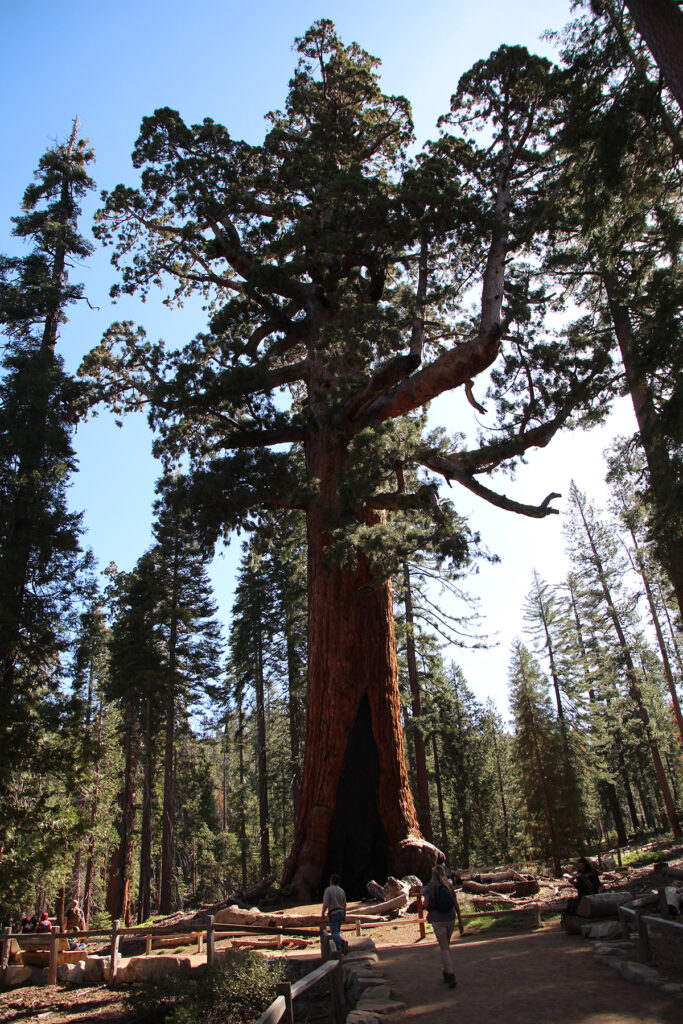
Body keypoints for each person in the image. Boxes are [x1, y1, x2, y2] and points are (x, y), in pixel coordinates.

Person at [423, 864, 457, 989]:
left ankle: (451, 974)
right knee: (446, 947)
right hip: (450, 917)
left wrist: (430, 912)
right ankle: (446, 971)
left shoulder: (428, 888)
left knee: (444, 948)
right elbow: (455, 902)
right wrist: (460, 917)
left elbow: (426, 904)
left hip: (437, 919)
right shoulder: (449, 885)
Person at [321, 873, 348, 954]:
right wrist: (344, 914)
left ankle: (343, 943)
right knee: (337, 932)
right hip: (341, 912)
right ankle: (339, 949)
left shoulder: (328, 890)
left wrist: (323, 912)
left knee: (334, 933)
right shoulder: (341, 891)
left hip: (333, 913)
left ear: (331, 881)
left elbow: (326, 902)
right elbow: (344, 904)